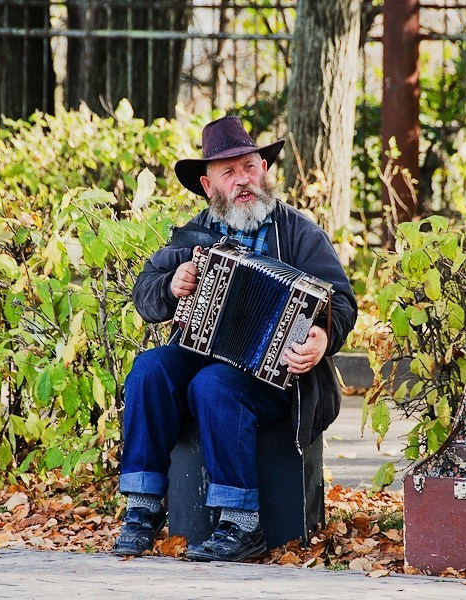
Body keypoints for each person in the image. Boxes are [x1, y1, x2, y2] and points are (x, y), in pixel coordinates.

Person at [113, 115, 357, 562]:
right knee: (149, 369)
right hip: (202, 363)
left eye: (249, 166)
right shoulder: (194, 235)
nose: (243, 179)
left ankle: (242, 525)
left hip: (280, 381)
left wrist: (321, 337)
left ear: (264, 170)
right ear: (208, 186)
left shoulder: (299, 233)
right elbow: (144, 294)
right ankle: (141, 510)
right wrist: (172, 285)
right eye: (229, 172)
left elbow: (341, 302)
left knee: (215, 384)